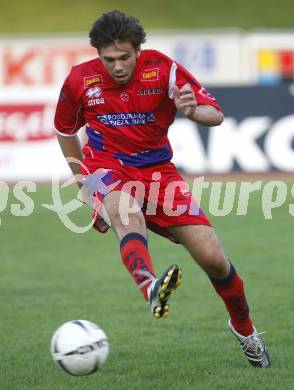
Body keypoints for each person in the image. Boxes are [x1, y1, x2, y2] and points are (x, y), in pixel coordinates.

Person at [54, 10, 270, 368]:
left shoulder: (164, 69)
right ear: (98, 55)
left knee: (214, 259)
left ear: (138, 50)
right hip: (105, 166)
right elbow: (64, 130)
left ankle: (245, 330)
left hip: (158, 173)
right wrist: (83, 181)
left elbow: (214, 113)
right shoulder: (80, 80)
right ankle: (150, 286)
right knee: (127, 214)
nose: (118, 66)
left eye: (125, 57)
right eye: (109, 59)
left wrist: (192, 111)